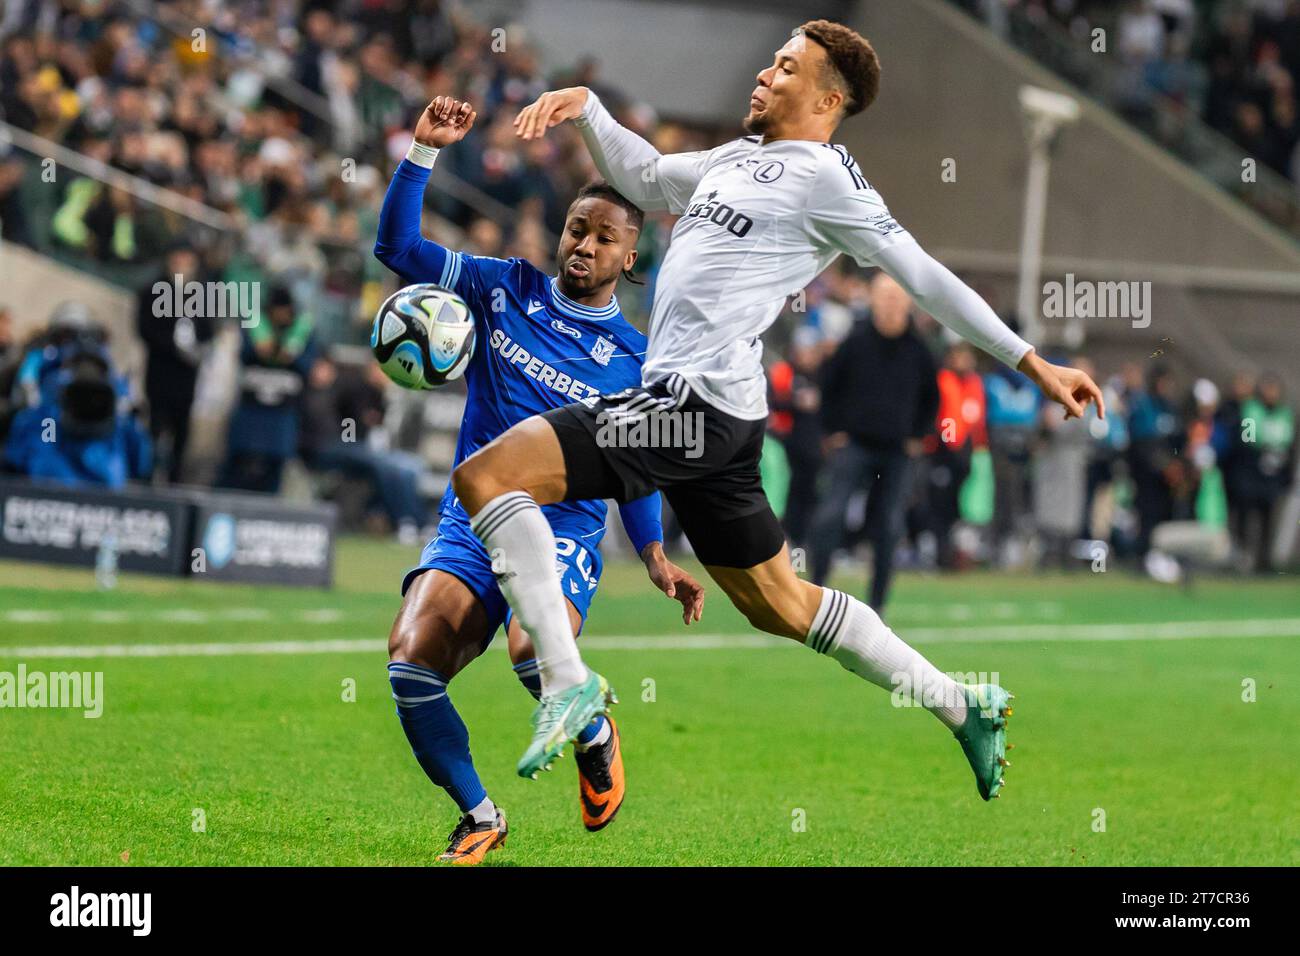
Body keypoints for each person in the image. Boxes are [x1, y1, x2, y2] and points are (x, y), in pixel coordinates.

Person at [449, 20, 1104, 805]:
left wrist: (1031, 362)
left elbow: (924, 278)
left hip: (687, 409)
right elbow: (651, 176)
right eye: (772, 59)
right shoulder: (737, 158)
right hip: (718, 417)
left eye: (786, 67)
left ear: (828, 98)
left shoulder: (828, 180)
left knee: (487, 476)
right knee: (781, 605)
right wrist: (588, 107)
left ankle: (565, 683)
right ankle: (964, 705)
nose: (765, 73)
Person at [373, 96, 705, 864]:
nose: (584, 244)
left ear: (631, 259)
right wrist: (422, 152)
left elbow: (633, 467)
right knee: (410, 664)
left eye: (605, 238)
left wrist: (653, 554)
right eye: (577, 229)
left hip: (564, 530)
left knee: (532, 650)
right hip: (473, 518)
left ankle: (593, 730)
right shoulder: (501, 288)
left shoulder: (634, 360)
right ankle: (481, 815)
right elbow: (398, 247)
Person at [808, 271, 937, 610]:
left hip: (897, 451)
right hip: (855, 445)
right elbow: (828, 385)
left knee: (890, 526)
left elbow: (931, 399)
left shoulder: (920, 350)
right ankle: (812, 594)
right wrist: (831, 431)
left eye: (897, 297)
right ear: (873, 300)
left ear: (908, 302)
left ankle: (877, 607)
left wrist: (917, 436)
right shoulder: (856, 341)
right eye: (884, 296)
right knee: (830, 515)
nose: (891, 303)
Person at [219, 286, 317, 494]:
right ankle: (223, 502)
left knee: (275, 465)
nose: (280, 316)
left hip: (283, 412)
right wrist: (258, 350)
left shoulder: (304, 330)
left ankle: (267, 508)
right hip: (250, 409)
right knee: (236, 462)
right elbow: (242, 355)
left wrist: (292, 356)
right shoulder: (255, 326)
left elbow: (309, 366)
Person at [136, 242, 215, 484]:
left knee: (181, 432)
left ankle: (175, 479)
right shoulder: (153, 291)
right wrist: (173, 346)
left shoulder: (201, 294)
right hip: (160, 372)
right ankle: (147, 475)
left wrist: (195, 349)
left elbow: (208, 330)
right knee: (156, 427)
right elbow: (145, 328)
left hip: (186, 377)